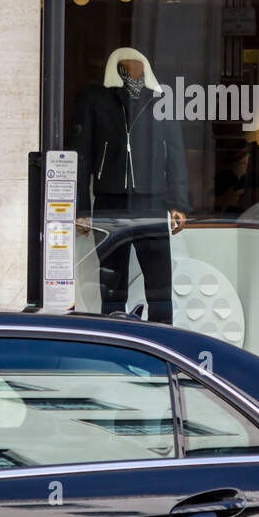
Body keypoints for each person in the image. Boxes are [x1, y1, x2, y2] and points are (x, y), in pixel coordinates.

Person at [71, 47, 189, 323]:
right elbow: (82, 156)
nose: (132, 71)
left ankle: (164, 342)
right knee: (112, 283)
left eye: (137, 67)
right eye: (127, 67)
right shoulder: (95, 98)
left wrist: (178, 203)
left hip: (152, 202)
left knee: (159, 283)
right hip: (110, 202)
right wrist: (81, 207)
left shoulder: (160, 99)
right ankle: (115, 341)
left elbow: (175, 154)